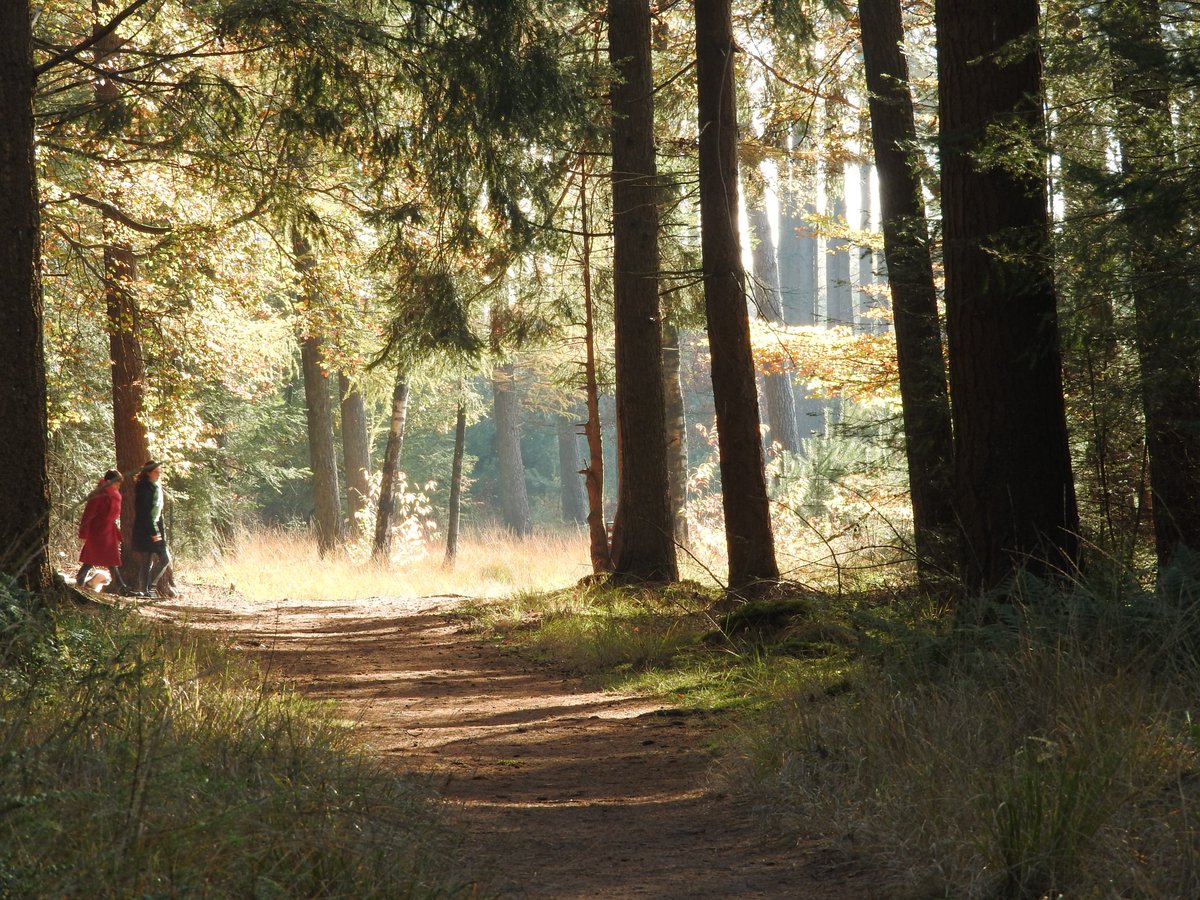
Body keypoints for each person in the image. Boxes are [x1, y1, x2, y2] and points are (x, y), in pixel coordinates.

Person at [76, 469, 134, 595]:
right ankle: (121, 587)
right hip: (98, 531)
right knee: (105, 559)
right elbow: (89, 513)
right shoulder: (100, 493)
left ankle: (80, 580)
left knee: (101, 559)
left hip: (108, 530)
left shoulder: (112, 493)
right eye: (117, 483)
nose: (118, 486)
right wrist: (84, 530)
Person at [132, 459, 172, 596]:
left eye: (159, 472)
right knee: (148, 561)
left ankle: (148, 588)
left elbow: (157, 513)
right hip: (146, 529)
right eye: (156, 472)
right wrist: (153, 531)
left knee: (162, 559)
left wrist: (159, 531)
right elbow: (144, 512)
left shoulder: (155, 487)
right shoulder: (144, 487)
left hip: (154, 527)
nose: (158, 474)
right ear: (148, 473)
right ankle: (147, 589)